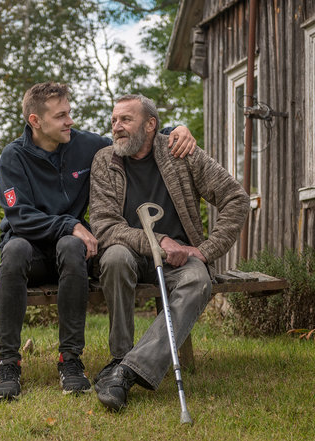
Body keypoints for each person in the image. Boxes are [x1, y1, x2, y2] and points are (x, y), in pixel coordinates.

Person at [0, 82, 198, 400]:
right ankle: (8, 363)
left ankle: (70, 360)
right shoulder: (13, 156)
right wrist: (70, 223)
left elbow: (134, 138)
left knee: (72, 246)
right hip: (28, 255)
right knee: (16, 247)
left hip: (70, 255)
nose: (70, 121)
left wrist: (176, 129)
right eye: (61, 116)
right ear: (35, 121)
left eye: (69, 113)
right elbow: (19, 217)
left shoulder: (84, 145)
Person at [88, 94, 249, 410]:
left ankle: (126, 371)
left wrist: (205, 251)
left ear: (150, 125)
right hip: (130, 251)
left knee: (199, 281)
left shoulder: (182, 152)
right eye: (114, 121)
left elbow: (236, 199)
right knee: (115, 258)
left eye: (125, 120)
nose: (116, 127)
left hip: (180, 258)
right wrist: (158, 241)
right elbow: (105, 226)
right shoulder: (105, 161)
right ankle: (120, 355)